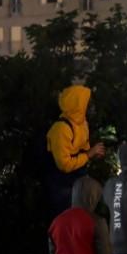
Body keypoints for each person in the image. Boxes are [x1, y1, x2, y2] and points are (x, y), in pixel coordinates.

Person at [45, 84, 105, 219]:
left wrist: (93, 154)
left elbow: (84, 151)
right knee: (66, 225)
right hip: (62, 187)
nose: (91, 107)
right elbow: (64, 165)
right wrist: (89, 155)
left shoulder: (82, 123)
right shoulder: (61, 129)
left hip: (78, 184)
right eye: (87, 103)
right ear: (78, 104)